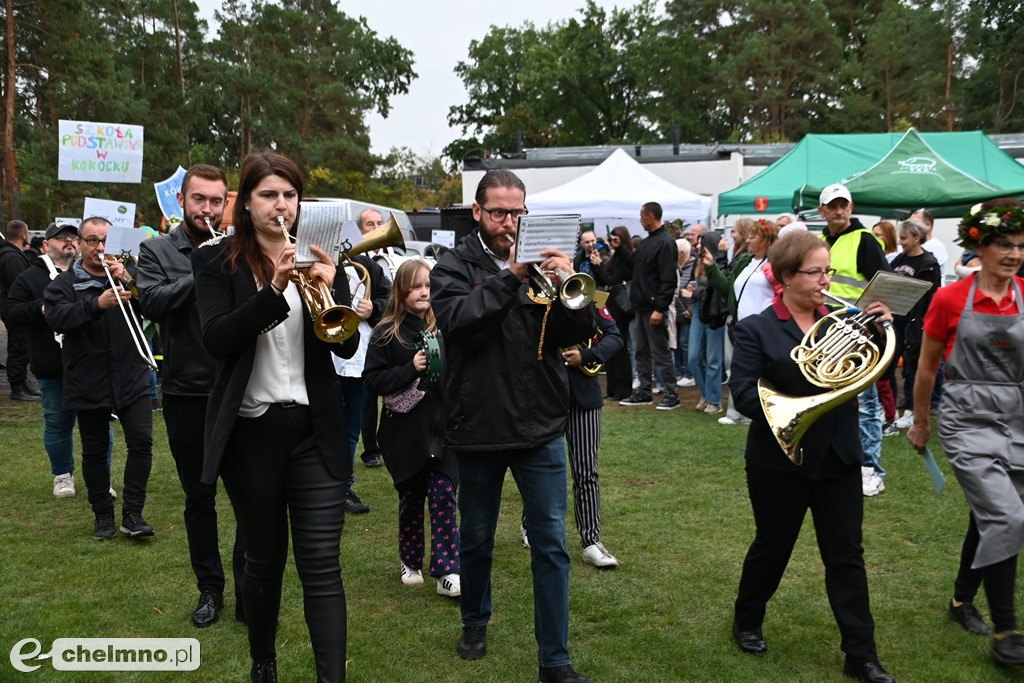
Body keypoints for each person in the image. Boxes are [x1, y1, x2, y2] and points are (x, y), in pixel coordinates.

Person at [192, 151, 358, 682]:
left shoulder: (316, 259)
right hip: (251, 431)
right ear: (246, 203)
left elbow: (344, 343)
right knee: (263, 561)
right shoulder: (218, 262)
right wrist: (275, 290)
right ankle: (264, 662)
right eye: (268, 195)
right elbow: (218, 339)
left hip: (314, 430)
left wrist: (334, 290)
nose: (280, 205)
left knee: (322, 566)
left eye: (289, 195)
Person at [431, 169, 594, 683]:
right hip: (479, 424)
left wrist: (573, 290)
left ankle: (556, 660)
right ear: (477, 212)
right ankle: (475, 620)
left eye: (516, 213)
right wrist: (512, 276)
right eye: (498, 212)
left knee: (551, 543)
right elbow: (460, 323)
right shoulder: (453, 264)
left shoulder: (545, 260)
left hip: (542, 423)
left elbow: (580, 332)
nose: (508, 222)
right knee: (476, 538)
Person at [729, 230, 895, 683]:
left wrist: (878, 332)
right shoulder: (756, 328)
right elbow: (744, 394)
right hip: (778, 459)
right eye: (815, 272)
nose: (826, 280)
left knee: (846, 554)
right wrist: (796, 399)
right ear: (785, 276)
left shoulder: (845, 321)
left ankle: (861, 654)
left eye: (828, 270)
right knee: (773, 545)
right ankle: (747, 619)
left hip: (839, 455)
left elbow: (867, 368)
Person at [907, 201, 1024, 665]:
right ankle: (1008, 631)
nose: (1014, 255)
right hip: (966, 418)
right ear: (979, 245)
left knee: (992, 514)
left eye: (1019, 246)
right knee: (1008, 518)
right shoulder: (951, 298)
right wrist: (920, 421)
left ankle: (960, 600)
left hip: (1017, 417)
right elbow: (927, 367)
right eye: (1004, 245)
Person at [136, 163, 245, 628]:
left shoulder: (242, 248)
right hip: (186, 393)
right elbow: (153, 302)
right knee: (199, 498)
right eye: (199, 199)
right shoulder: (156, 249)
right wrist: (206, 266)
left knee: (250, 498)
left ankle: (249, 590)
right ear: (181, 201)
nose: (208, 209)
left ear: (226, 204)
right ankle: (210, 590)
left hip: (240, 389)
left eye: (216, 201)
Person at [44, 217, 156, 540]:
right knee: (94, 450)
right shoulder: (65, 283)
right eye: (92, 240)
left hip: (131, 376)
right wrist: (96, 304)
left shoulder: (126, 276)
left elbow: (153, 306)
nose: (100, 247)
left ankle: (133, 514)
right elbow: (56, 317)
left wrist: (131, 283)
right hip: (88, 378)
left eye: (105, 240)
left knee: (141, 443)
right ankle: (103, 515)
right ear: (79, 243)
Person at [363, 259, 461, 597]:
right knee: (411, 499)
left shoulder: (442, 327)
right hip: (405, 434)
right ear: (402, 290)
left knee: (445, 495)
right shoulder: (385, 332)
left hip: (441, 430)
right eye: (416, 286)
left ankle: (448, 570)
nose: (424, 292)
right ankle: (410, 560)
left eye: (428, 286)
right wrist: (410, 367)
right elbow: (373, 381)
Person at [4, 223, 114, 497]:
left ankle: (101, 478)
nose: (68, 241)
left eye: (71, 237)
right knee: (57, 422)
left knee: (99, 423)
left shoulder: (91, 272)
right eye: (59, 238)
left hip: (92, 363)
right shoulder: (30, 277)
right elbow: (10, 310)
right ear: (45, 245)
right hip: (52, 362)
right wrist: (41, 307)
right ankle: (63, 476)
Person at [522, 304, 624, 568]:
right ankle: (529, 526)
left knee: (586, 470)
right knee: (537, 469)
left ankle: (591, 541)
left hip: (582, 396)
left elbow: (615, 336)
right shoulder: (532, 294)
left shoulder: (587, 296)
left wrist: (588, 354)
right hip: (544, 396)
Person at [817, 183, 892, 497]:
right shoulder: (818, 241)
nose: (838, 210)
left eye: (843, 204)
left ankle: (872, 469)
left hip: (856, 327)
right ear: (822, 211)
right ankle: (835, 459)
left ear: (850, 207)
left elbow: (885, 285)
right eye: (832, 205)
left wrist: (873, 322)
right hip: (824, 324)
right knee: (829, 397)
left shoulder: (864, 239)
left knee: (865, 402)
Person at [332, 207, 392, 512]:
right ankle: (325, 485)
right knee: (326, 425)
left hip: (359, 359)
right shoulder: (322, 266)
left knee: (351, 427)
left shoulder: (367, 265)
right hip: (327, 358)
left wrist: (375, 308)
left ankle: (345, 487)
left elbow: (391, 298)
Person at [706, 218, 780, 425]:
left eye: (753, 236)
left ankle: (752, 413)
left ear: (766, 239)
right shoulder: (745, 262)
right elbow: (728, 289)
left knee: (756, 371)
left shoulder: (775, 264)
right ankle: (735, 412)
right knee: (735, 368)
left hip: (762, 327)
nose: (748, 240)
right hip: (739, 325)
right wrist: (712, 269)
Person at [620, 202, 679, 410]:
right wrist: (619, 249)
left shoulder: (665, 243)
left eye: (642, 216)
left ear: (651, 216)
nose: (640, 219)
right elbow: (632, 265)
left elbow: (668, 279)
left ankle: (672, 394)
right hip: (642, 306)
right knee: (641, 351)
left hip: (653, 307)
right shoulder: (648, 243)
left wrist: (660, 308)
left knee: (660, 352)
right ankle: (644, 391)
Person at [888, 219, 940, 432]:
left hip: (915, 321)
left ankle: (911, 410)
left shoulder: (928, 263)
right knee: (889, 363)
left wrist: (925, 323)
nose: (900, 242)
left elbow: (933, 295)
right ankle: (889, 409)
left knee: (912, 367)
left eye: (904, 238)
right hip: (896, 319)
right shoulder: (899, 259)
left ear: (917, 238)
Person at [684, 231, 728, 414]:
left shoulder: (719, 264)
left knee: (713, 360)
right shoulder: (698, 261)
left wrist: (693, 293)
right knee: (693, 358)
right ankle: (706, 394)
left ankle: (714, 400)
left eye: (701, 243)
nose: (697, 246)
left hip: (715, 315)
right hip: (698, 311)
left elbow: (716, 291)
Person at [590, 225, 633, 401]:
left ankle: (623, 390)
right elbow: (604, 280)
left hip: (620, 308)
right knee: (613, 348)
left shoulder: (626, 258)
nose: (612, 241)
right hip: (611, 305)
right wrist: (596, 265)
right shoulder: (615, 258)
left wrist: (599, 266)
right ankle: (614, 390)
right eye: (611, 239)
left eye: (615, 238)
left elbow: (611, 281)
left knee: (620, 348)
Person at [1, 219, 40, 401]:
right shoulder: (12, 257)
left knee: (22, 344)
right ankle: (17, 387)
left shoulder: (12, 254)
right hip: (16, 309)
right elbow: (19, 285)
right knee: (18, 345)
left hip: (16, 307)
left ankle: (22, 383)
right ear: (24, 235)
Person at [911, 208, 949, 283]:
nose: (910, 226)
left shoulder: (937, 246)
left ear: (928, 225)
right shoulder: (907, 245)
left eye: (915, 223)